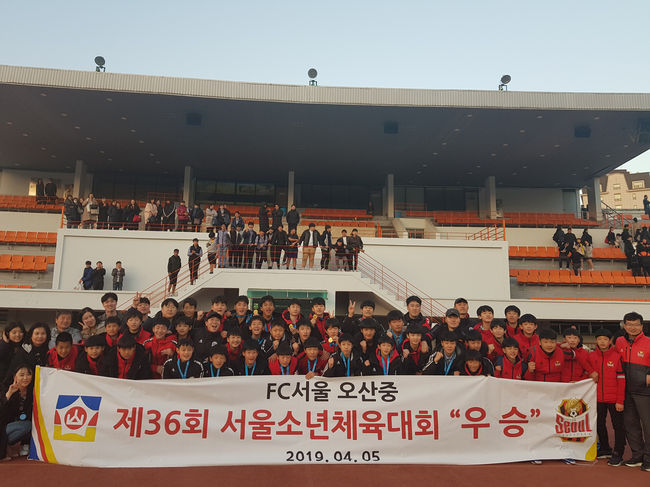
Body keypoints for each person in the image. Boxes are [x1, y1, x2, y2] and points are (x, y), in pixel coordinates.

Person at [613, 312, 650, 470]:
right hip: (625, 391)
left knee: (648, 426)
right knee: (630, 425)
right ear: (624, 326)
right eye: (629, 324)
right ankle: (637, 456)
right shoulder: (619, 341)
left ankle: (649, 457)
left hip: (644, 391)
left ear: (642, 326)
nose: (633, 328)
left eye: (636, 324)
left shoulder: (648, 342)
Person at [587, 328, 626, 465]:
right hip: (597, 398)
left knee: (618, 426)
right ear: (596, 341)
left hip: (614, 399)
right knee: (599, 424)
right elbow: (586, 370)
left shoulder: (617, 357)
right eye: (599, 339)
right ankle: (605, 448)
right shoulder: (591, 356)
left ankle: (618, 452)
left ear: (610, 341)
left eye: (605, 339)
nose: (602, 342)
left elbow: (621, 380)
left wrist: (620, 401)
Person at [0, 364, 34, 459]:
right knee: (28, 425)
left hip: (22, 425)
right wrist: (9, 393)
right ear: (15, 377)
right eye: (22, 375)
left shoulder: (34, 391)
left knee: (31, 425)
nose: (25, 378)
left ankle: (24, 444)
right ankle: (5, 446)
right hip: (5, 427)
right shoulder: (7, 389)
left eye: (28, 374)